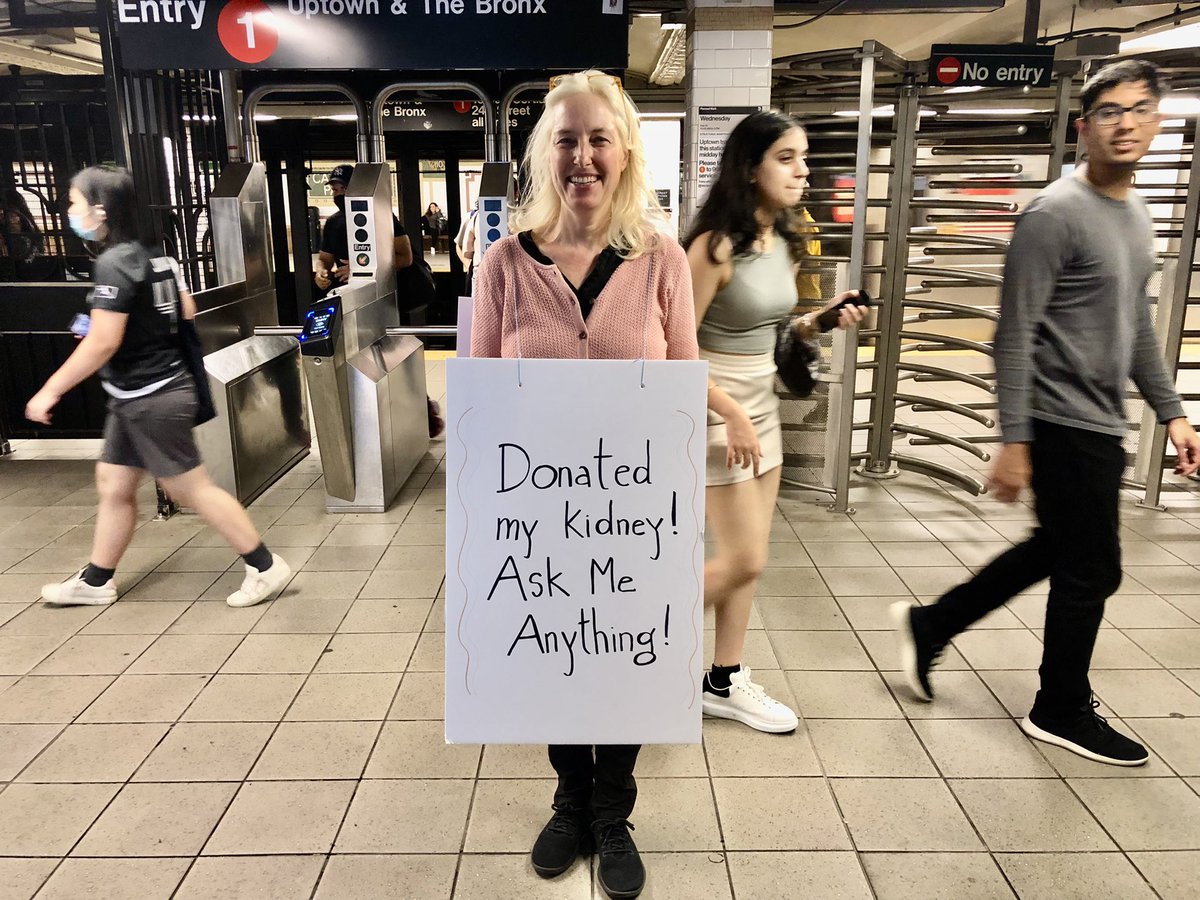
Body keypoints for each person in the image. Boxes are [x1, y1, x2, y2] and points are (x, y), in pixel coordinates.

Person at [891, 59, 1200, 767]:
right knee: (1093, 565)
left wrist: (1173, 410)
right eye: (1110, 111)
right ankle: (1058, 708)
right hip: (1063, 420)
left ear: (1158, 121)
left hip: (1103, 418)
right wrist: (1014, 438)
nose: (1126, 123)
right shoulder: (1055, 214)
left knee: (1059, 550)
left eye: (1141, 109)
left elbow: (1136, 325)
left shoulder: (1137, 214)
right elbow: (1015, 332)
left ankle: (930, 623)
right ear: (1084, 126)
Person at [471, 70, 698, 900]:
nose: (583, 156)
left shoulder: (660, 257)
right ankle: (570, 799)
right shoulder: (503, 262)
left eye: (599, 137)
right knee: (559, 660)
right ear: (545, 154)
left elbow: (682, 377)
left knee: (627, 663)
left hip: (633, 512)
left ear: (626, 149)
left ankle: (614, 811)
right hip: (541, 515)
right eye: (566, 139)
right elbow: (479, 386)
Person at [25, 166, 292, 608]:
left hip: (151, 396)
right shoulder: (156, 255)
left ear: (99, 210)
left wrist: (50, 389)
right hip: (144, 393)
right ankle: (96, 580)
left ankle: (264, 565)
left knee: (190, 488)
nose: (68, 212)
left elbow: (104, 343)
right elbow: (182, 312)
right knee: (114, 483)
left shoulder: (113, 262)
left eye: (73, 203)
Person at [684, 111, 867, 734]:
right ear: (749, 166)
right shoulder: (711, 247)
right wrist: (729, 412)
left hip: (761, 412)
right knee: (745, 559)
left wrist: (818, 323)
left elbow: (773, 331)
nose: (803, 169)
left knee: (748, 558)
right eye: (787, 157)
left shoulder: (783, 242)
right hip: (715, 415)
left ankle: (724, 679)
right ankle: (626, 640)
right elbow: (671, 350)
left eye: (804, 156)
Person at [314, 163, 421, 296]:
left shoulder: (382, 216)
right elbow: (325, 258)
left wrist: (359, 270)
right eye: (335, 190)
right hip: (348, 293)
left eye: (345, 188)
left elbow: (405, 257)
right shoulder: (333, 223)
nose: (340, 194)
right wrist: (321, 272)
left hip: (383, 292)